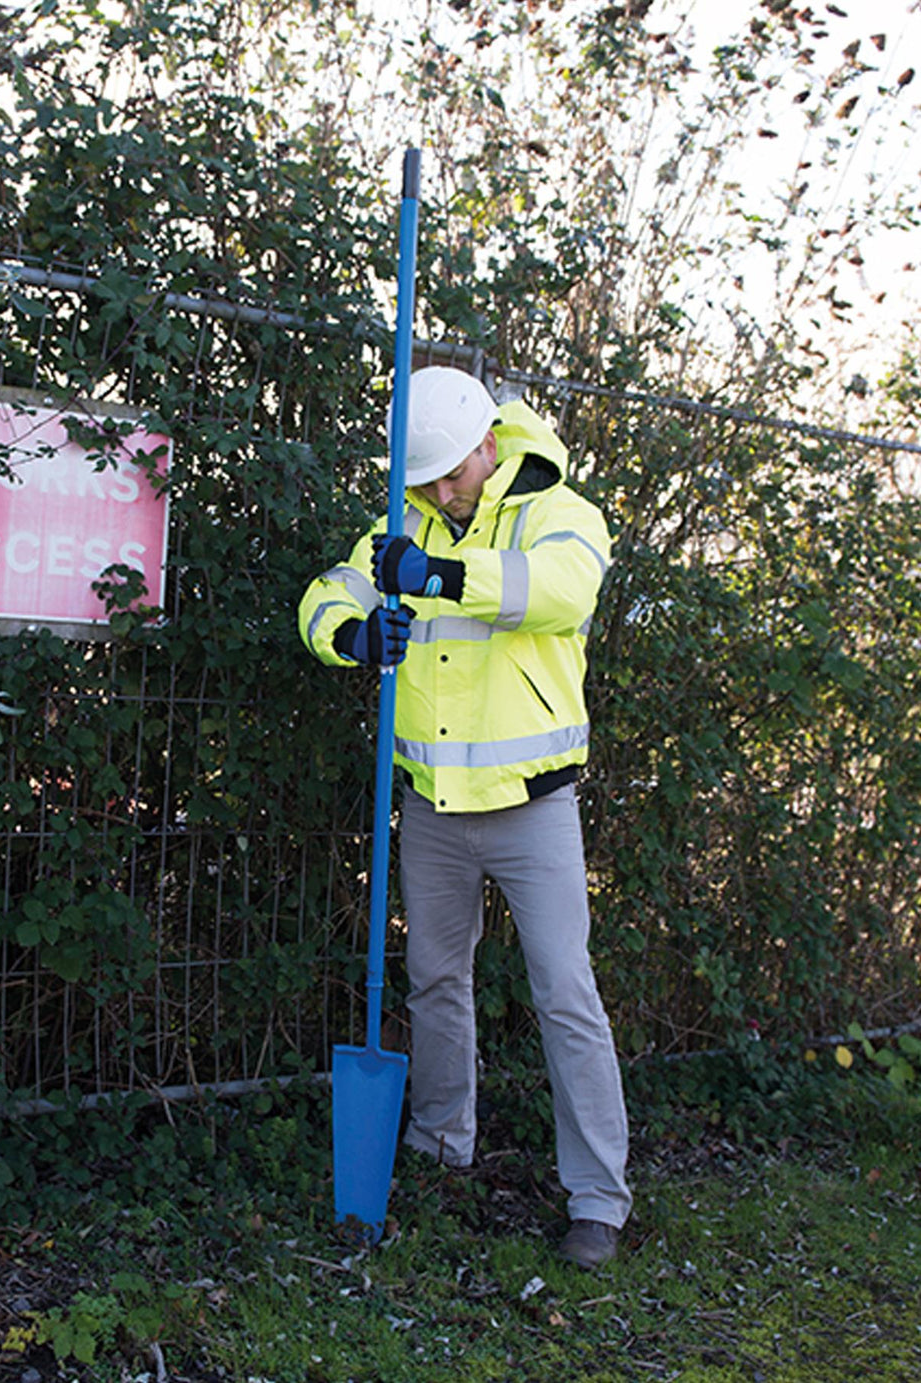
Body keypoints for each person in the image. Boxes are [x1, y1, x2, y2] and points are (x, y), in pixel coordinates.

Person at [297, 365, 631, 1268]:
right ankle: (444, 1145)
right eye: (427, 479)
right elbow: (324, 595)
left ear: (489, 444)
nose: (440, 491)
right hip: (432, 806)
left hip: (533, 807)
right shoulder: (400, 521)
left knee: (565, 995)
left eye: (451, 473)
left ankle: (598, 1197)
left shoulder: (559, 511)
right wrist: (353, 633)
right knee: (434, 982)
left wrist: (439, 577)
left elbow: (560, 592)